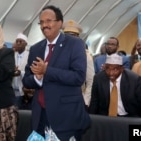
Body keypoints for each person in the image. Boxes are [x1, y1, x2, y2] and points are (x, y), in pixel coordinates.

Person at [22, 5, 90, 140]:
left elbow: (78, 77)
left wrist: (47, 70)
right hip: (39, 115)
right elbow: (26, 80)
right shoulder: (36, 48)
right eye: (41, 22)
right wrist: (38, 78)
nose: (44, 25)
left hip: (65, 116)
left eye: (48, 21)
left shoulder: (75, 44)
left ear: (60, 23)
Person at [89, 54, 141, 118]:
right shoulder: (99, 78)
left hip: (130, 117)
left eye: (115, 69)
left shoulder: (134, 80)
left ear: (122, 69)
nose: (111, 73)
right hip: (106, 118)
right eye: (108, 69)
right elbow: (94, 102)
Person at [62, 19, 94, 107]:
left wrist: (85, 101)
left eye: (73, 35)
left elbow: (90, 81)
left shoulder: (86, 56)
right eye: (66, 35)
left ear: (78, 37)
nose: (69, 38)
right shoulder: (56, 53)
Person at [12, 33, 33, 109]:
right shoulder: (11, 55)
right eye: (17, 41)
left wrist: (20, 72)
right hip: (11, 90)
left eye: (20, 41)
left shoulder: (30, 56)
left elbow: (31, 72)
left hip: (23, 91)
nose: (18, 43)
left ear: (25, 43)